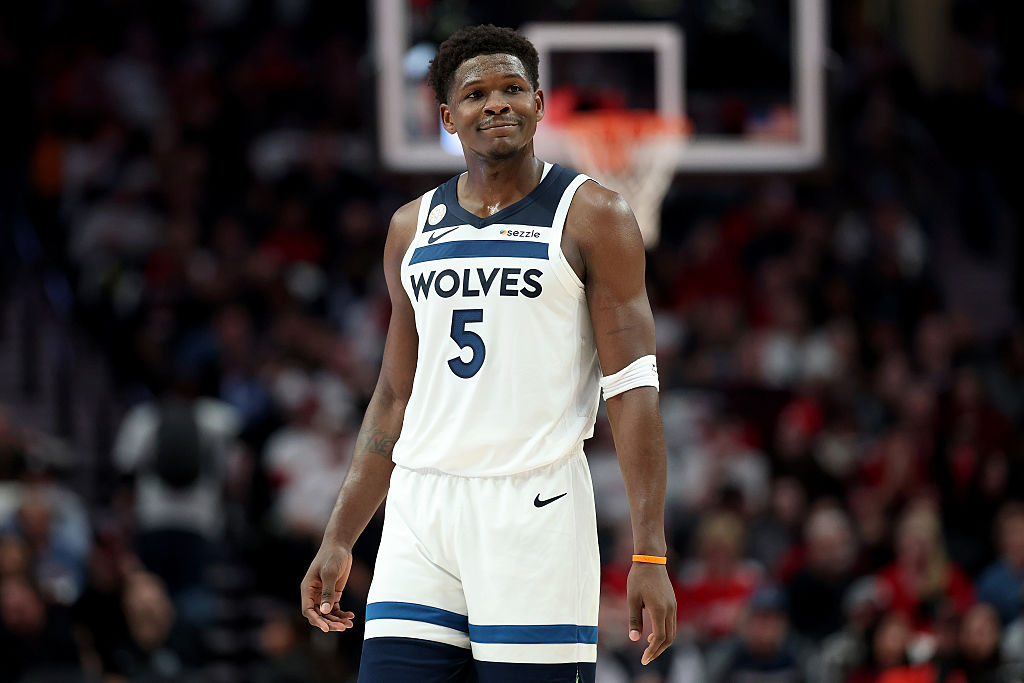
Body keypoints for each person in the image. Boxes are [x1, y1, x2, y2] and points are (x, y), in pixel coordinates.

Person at [300, 23, 676, 682]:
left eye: (512, 89)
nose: (496, 103)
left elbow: (633, 389)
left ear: (539, 102)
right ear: (448, 117)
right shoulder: (410, 226)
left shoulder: (594, 215)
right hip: (421, 507)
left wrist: (650, 553)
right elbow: (394, 395)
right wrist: (340, 535)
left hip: (534, 509)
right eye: (476, 94)